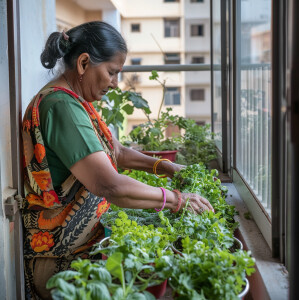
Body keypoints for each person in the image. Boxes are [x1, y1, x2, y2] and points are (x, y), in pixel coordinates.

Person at [21, 21, 213, 299]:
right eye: (112, 72)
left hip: (84, 248)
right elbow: (108, 184)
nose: (115, 83)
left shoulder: (76, 101)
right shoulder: (62, 107)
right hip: (63, 265)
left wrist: (166, 167)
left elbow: (116, 151)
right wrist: (177, 199)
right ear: (84, 63)